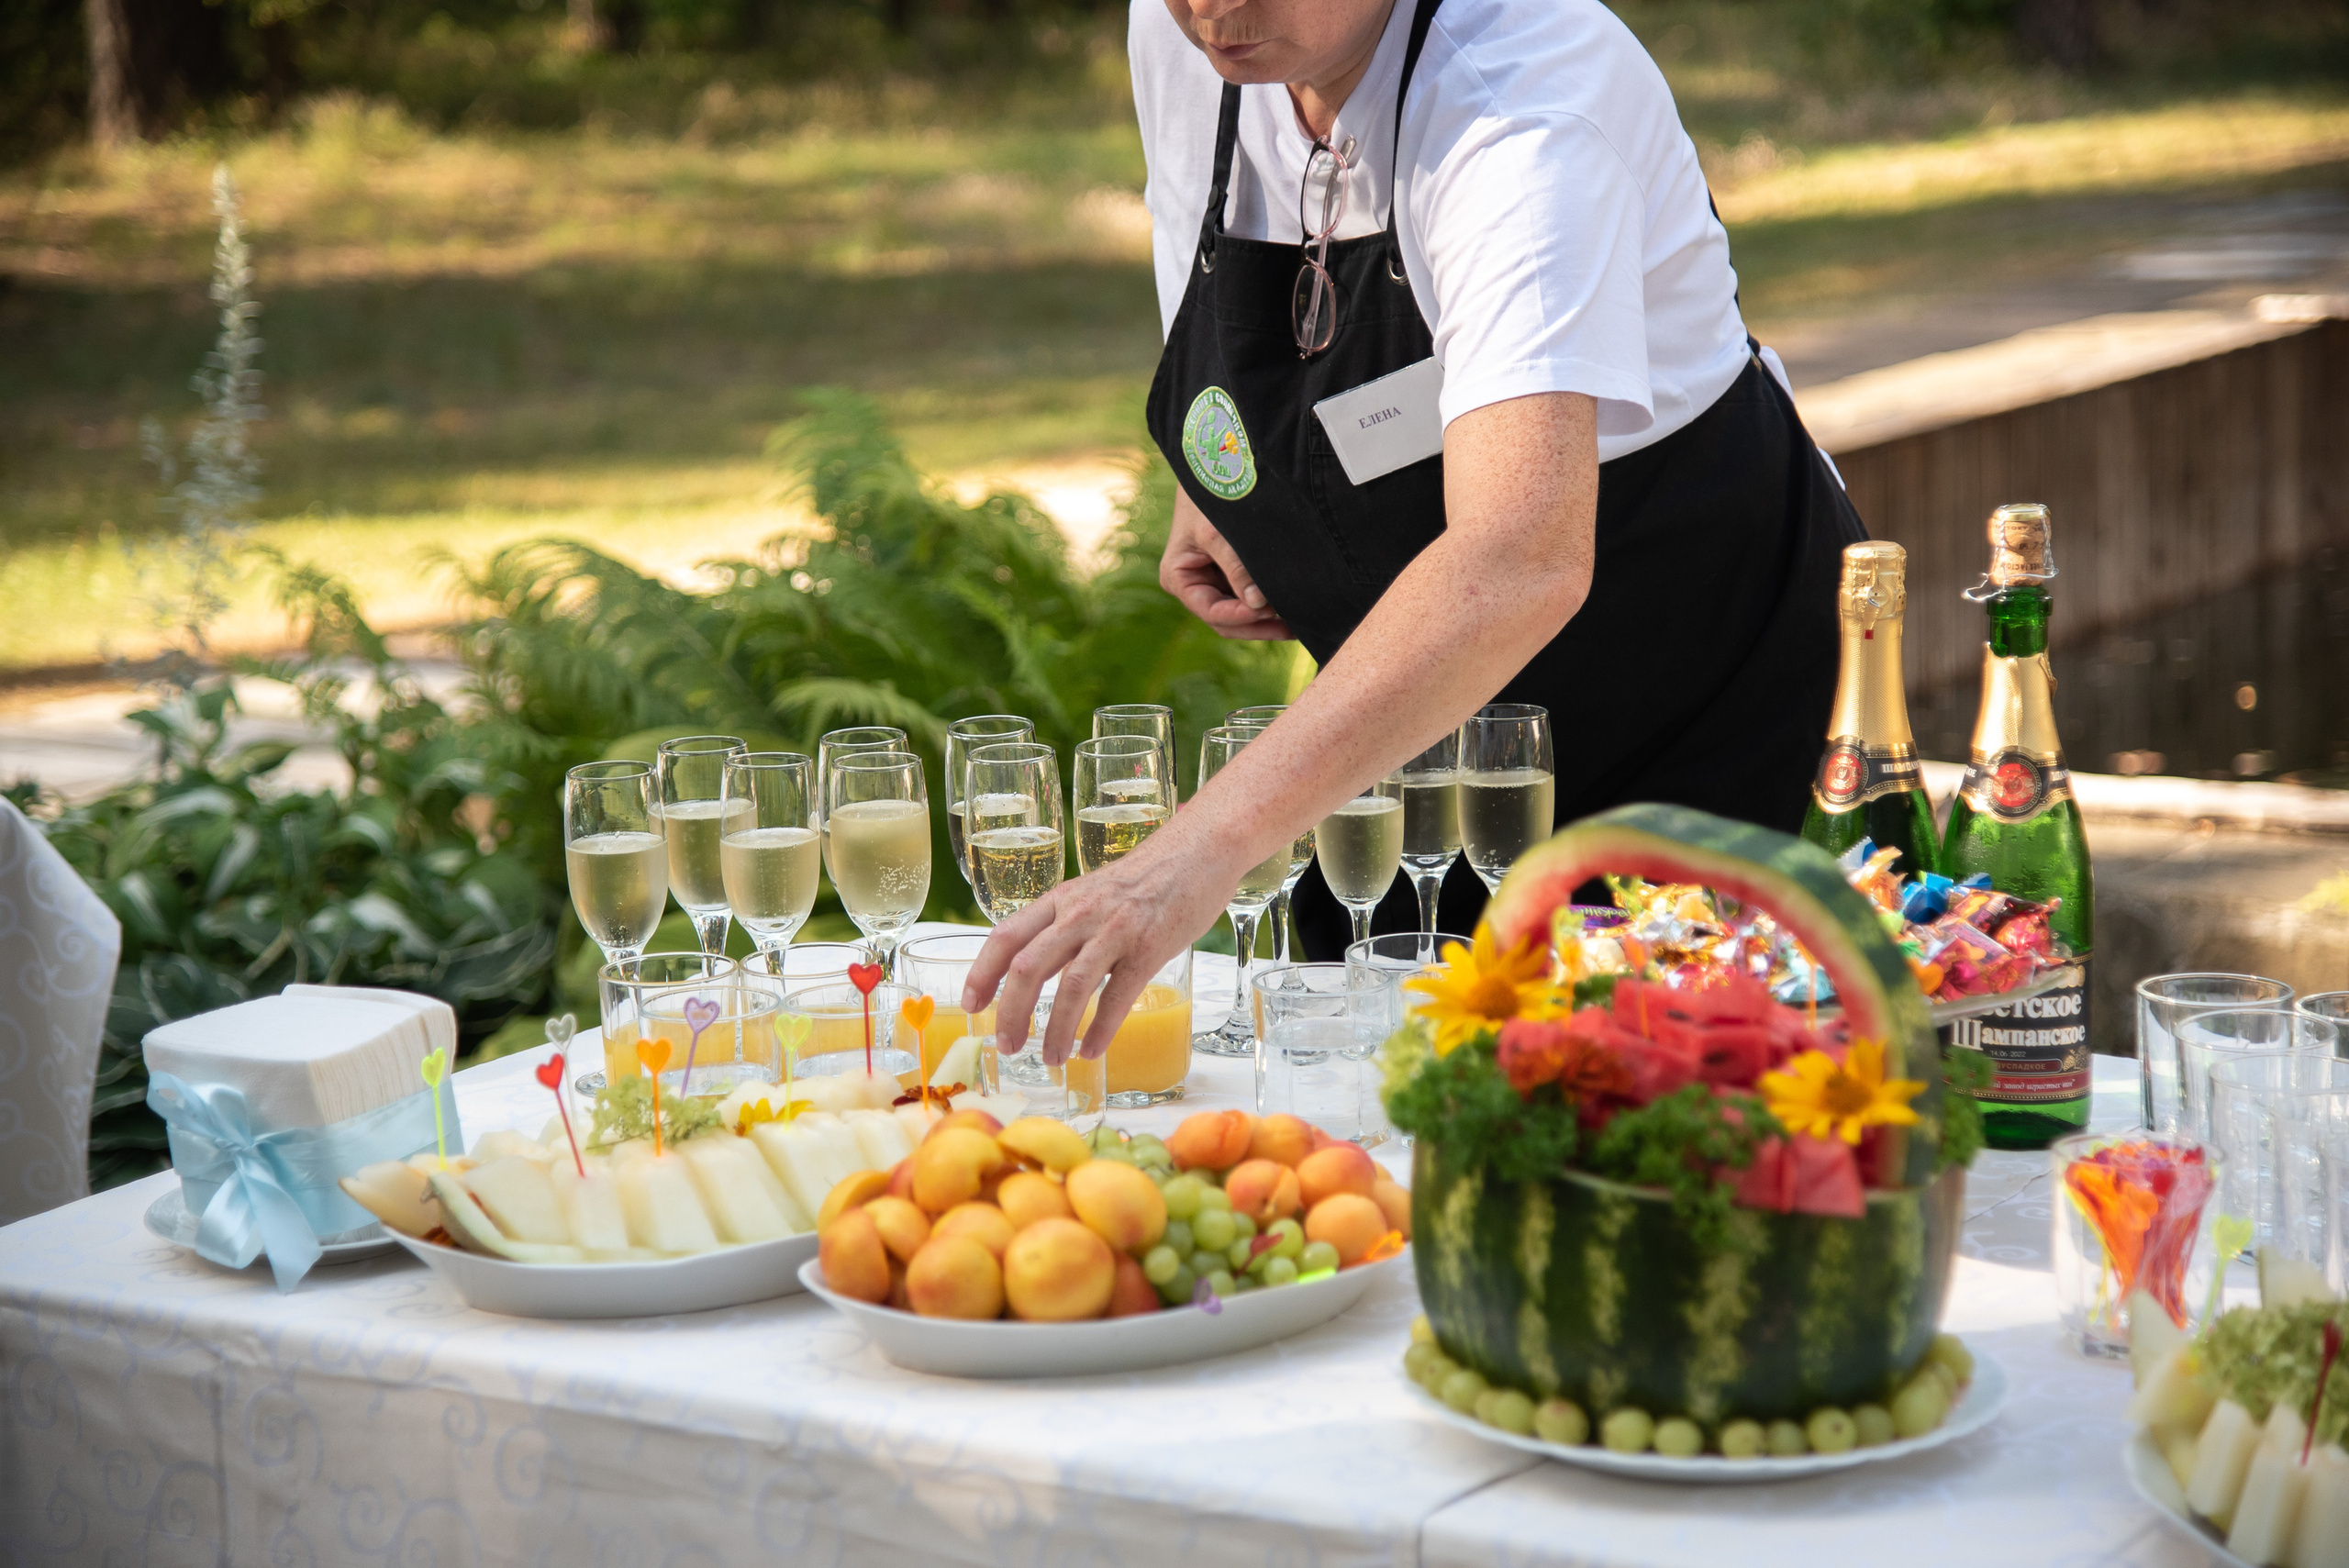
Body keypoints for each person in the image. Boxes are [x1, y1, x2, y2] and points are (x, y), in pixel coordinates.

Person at [965, 0, 1865, 1062]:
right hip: (1415, 714)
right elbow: (1214, 281)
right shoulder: (1194, 38)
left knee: (1676, 1113)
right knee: (1360, 1091)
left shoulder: (1523, 108)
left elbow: (1517, 557)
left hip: (1701, 702)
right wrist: (1222, 481)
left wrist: (1189, 857)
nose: (1215, 5)